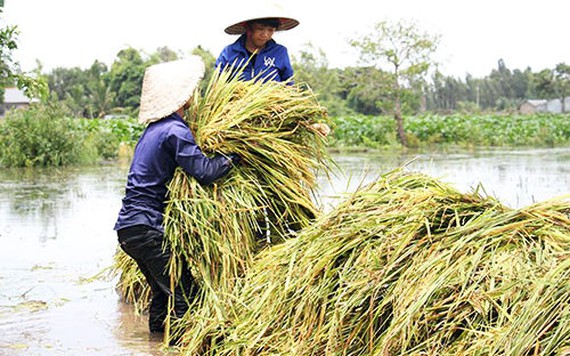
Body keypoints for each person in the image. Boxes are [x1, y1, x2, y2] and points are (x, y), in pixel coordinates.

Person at [113, 57, 240, 341]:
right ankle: (185, 345)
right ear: (183, 96)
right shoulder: (175, 130)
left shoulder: (151, 131)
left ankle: (154, 345)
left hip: (129, 230)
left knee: (162, 293)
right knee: (185, 293)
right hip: (147, 229)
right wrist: (232, 158)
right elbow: (204, 172)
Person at [215, 4, 299, 83]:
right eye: (260, 28)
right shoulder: (229, 53)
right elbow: (216, 84)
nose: (265, 35)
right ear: (248, 28)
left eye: (270, 30)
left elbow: (289, 84)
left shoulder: (280, 52)